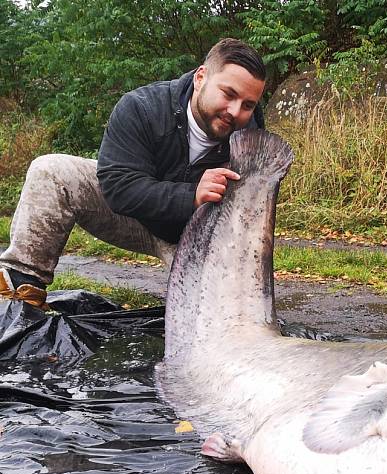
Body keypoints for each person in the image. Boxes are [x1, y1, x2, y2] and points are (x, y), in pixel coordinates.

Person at [0, 38, 267, 309]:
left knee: (220, 314)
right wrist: (191, 195)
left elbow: (246, 222)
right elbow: (118, 186)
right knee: (52, 170)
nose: (235, 112)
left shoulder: (252, 139)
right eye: (228, 94)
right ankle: (22, 282)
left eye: (248, 105)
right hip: (134, 217)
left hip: (193, 238)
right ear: (201, 77)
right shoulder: (142, 107)